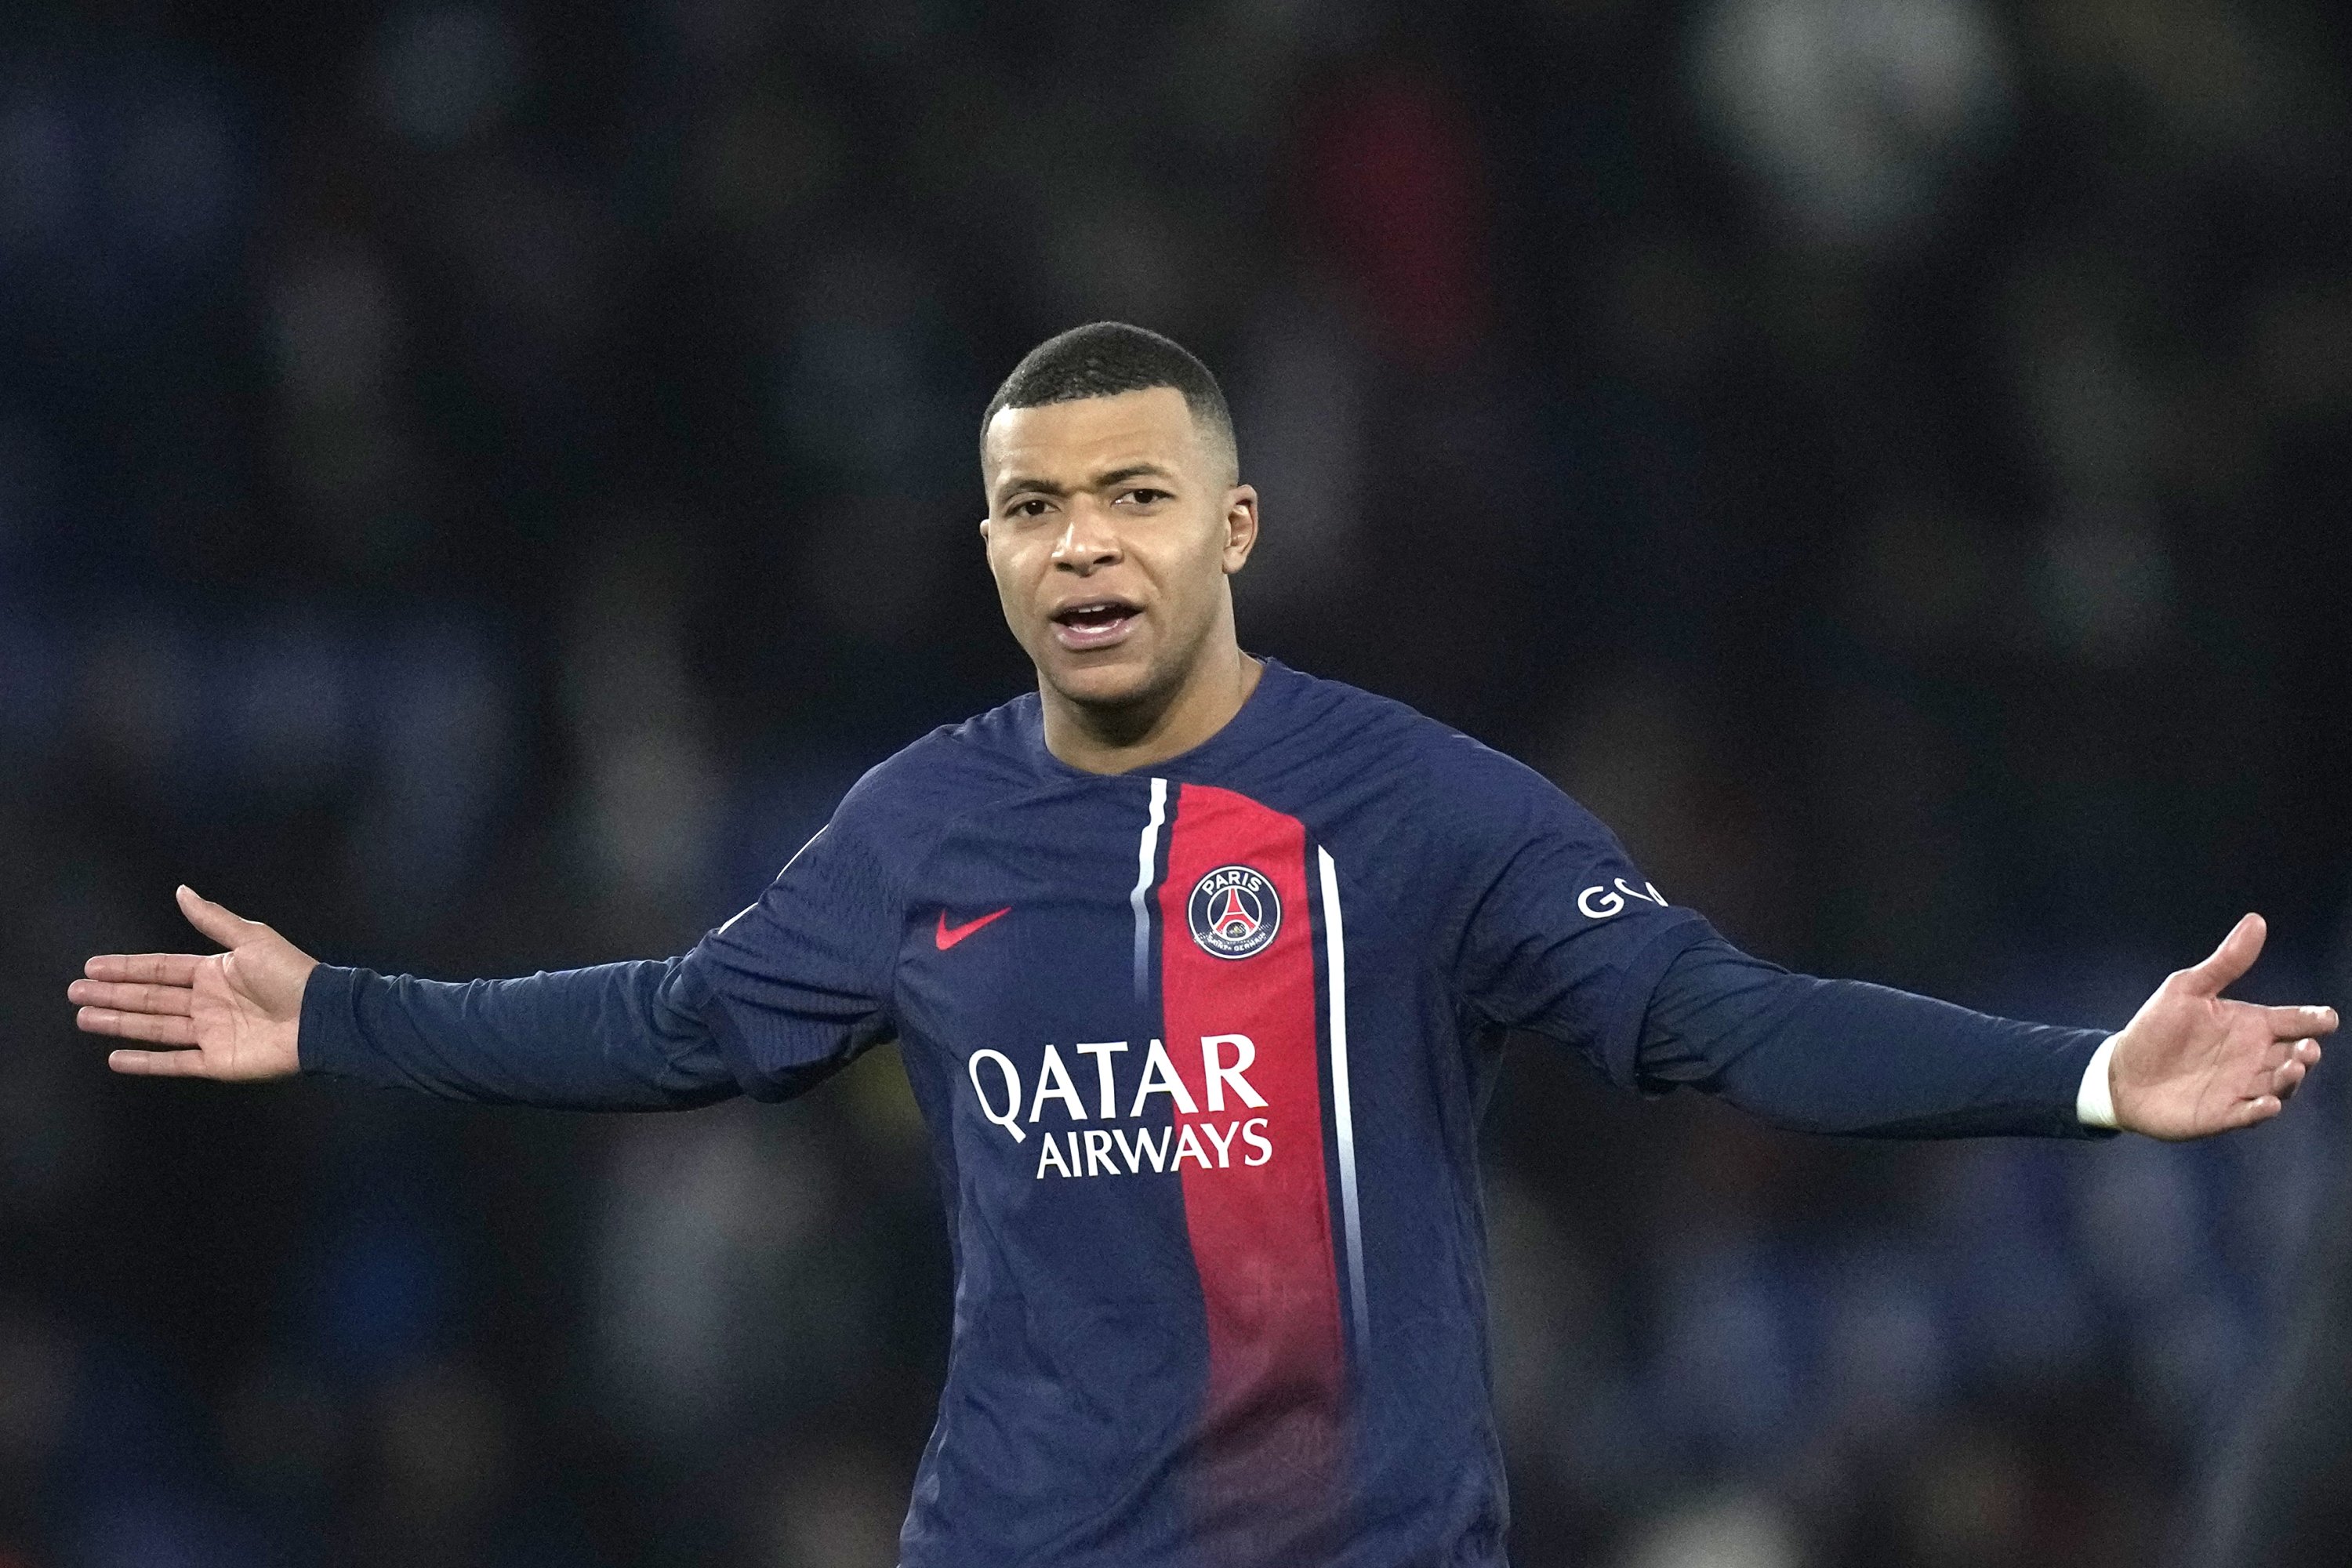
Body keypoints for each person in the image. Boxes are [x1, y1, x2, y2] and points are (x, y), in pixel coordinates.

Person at [70, 323, 2335, 1566]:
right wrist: (338, 1011)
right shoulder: (921, 825)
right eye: (1038, 506)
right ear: (986, 547)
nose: (1086, 545)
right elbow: (681, 1026)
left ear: (1233, 525)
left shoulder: (1415, 810)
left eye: (1136, 496)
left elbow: (1714, 1020)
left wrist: (2083, 1078)